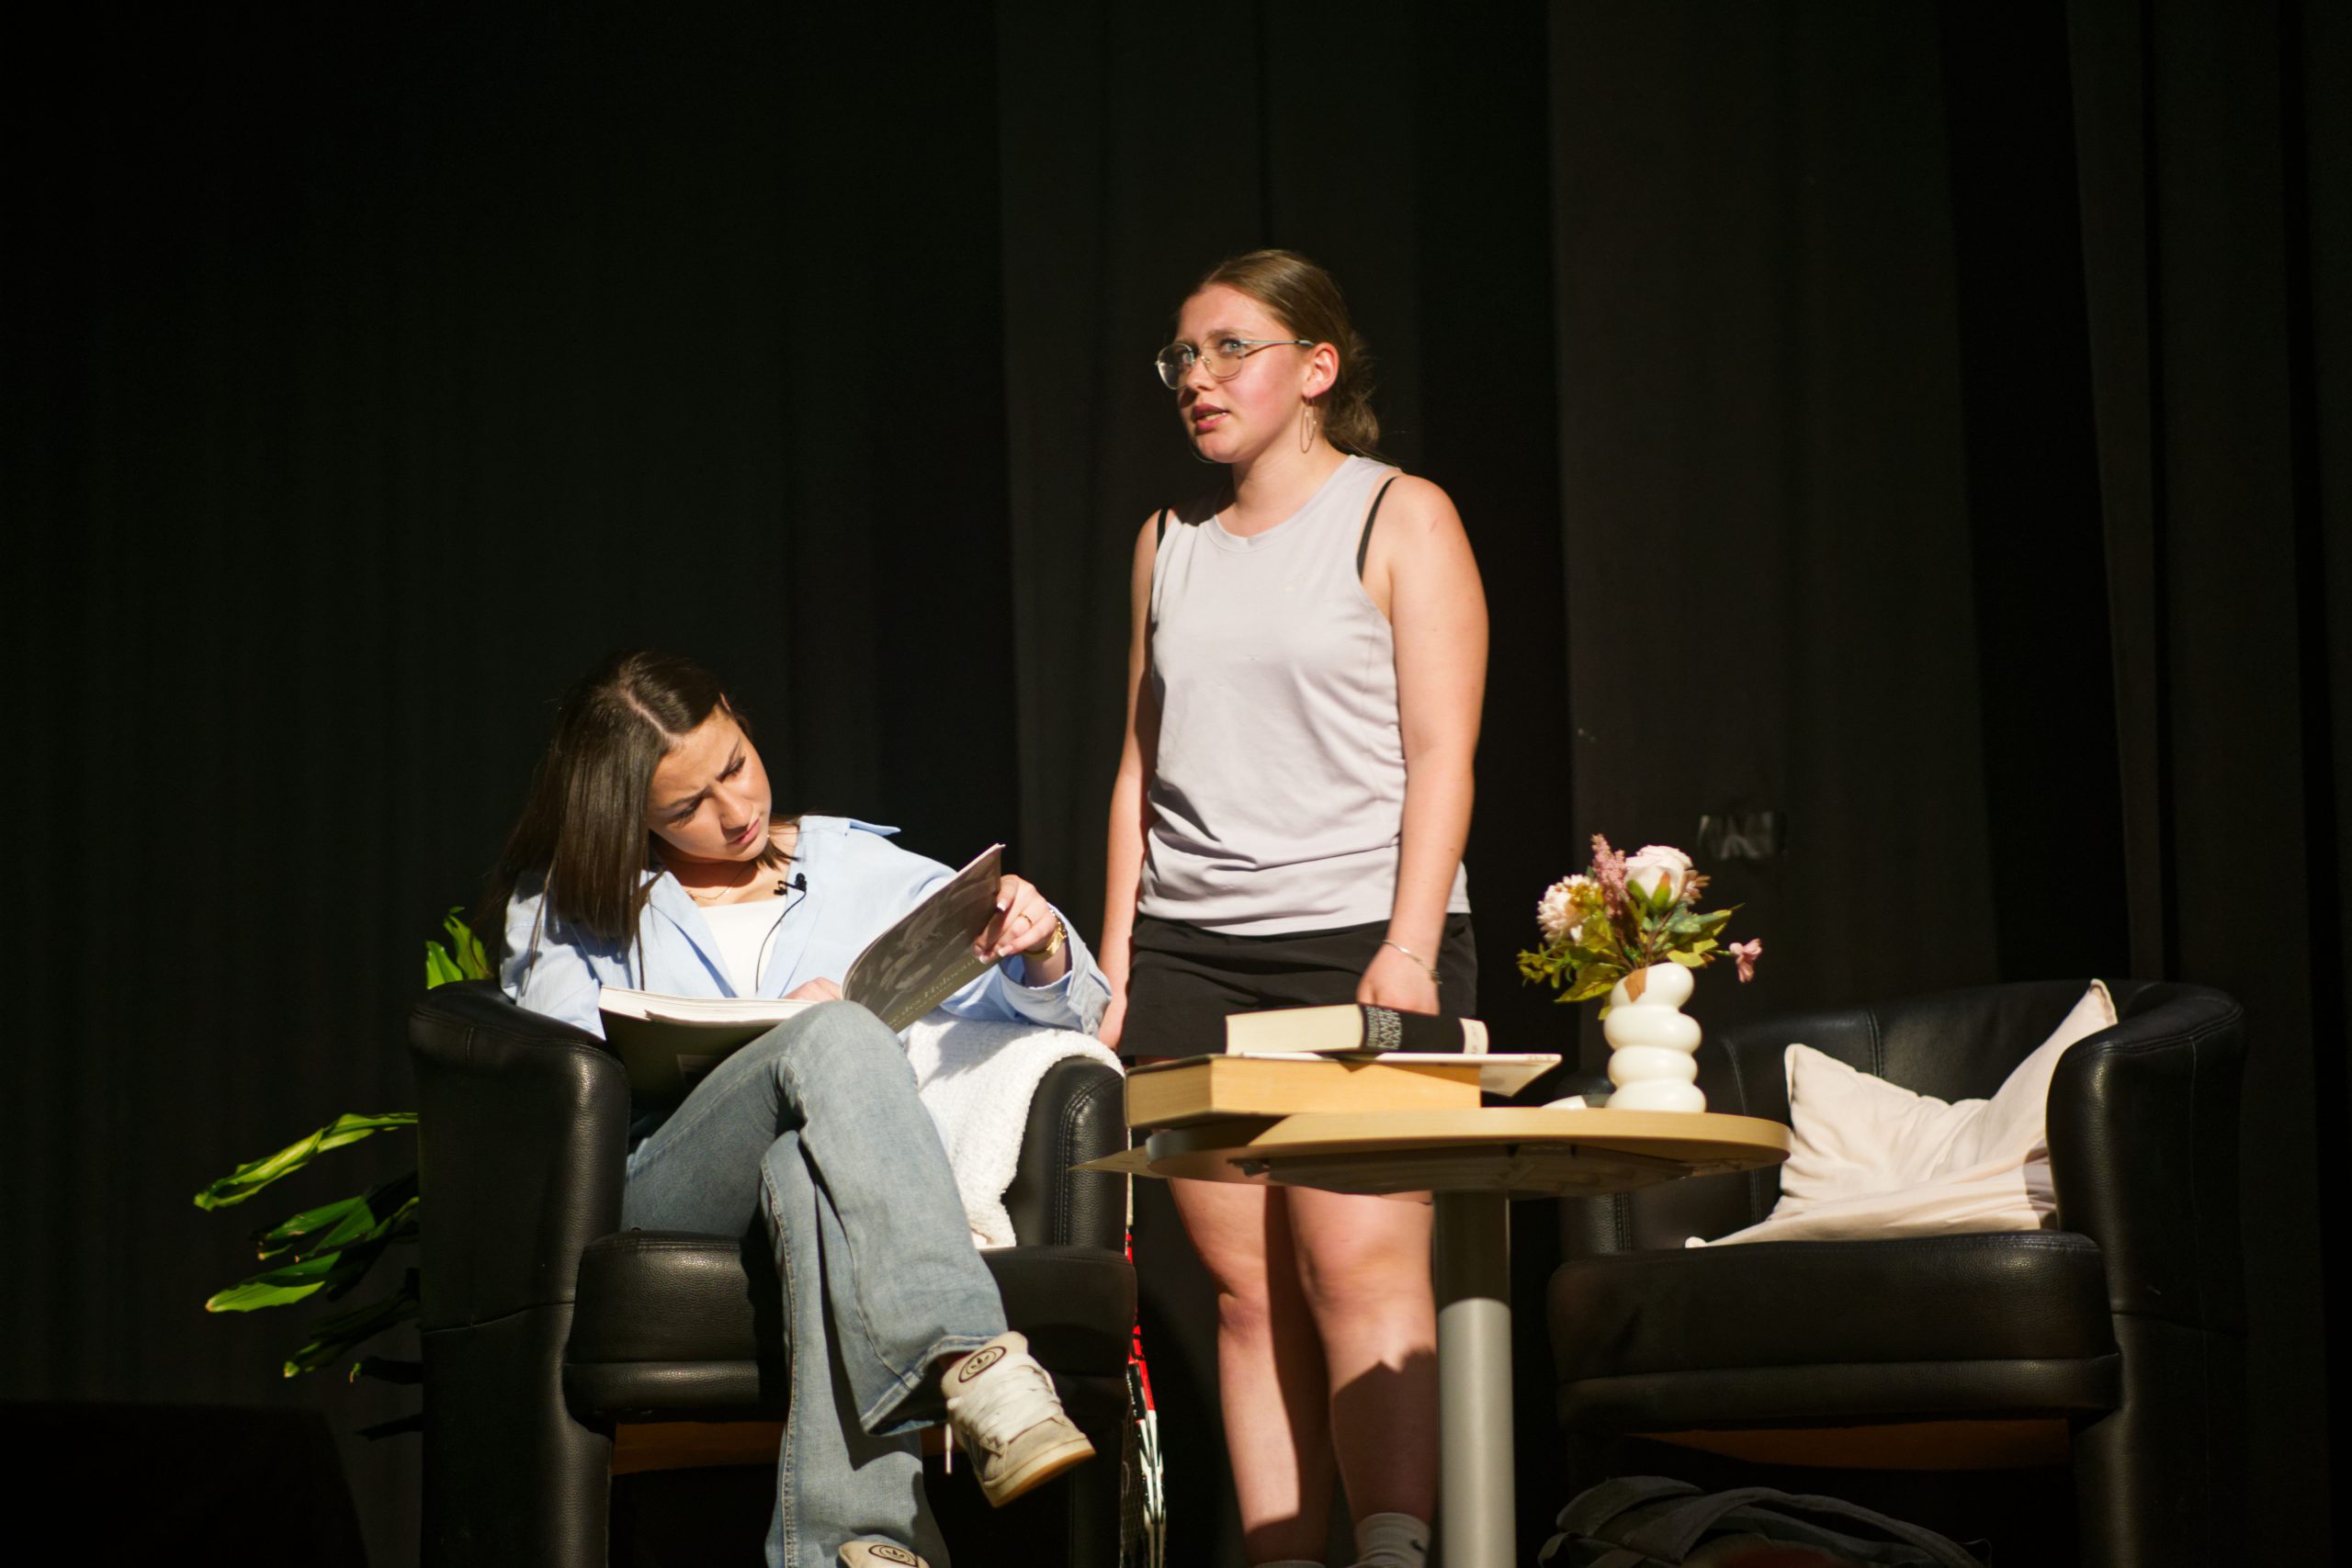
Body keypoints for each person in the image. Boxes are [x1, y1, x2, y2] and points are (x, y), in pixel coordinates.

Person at [490, 649, 1107, 1568]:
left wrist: (1040, 943)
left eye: (735, 766)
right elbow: (558, 1089)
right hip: (666, 1184)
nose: (734, 810)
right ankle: (977, 1362)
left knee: (808, 1168)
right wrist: (783, 1035)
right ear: (629, 814)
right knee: (835, 1032)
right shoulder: (570, 905)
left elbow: (1068, 1010)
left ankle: (853, 1545)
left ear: (739, 720)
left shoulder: (854, 866)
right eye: (685, 808)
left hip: (810, 1174)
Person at [1100, 251, 1488, 1568]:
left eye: (1230, 348)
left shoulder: (1400, 516)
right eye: (1182, 355)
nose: (1197, 378)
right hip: (1191, 956)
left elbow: (1443, 751)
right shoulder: (1168, 541)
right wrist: (1118, 961)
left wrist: (1409, 944)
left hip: (1360, 943)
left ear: (1318, 368)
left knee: (1358, 1274)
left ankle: (1393, 1549)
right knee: (1247, 1298)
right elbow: (1139, 764)